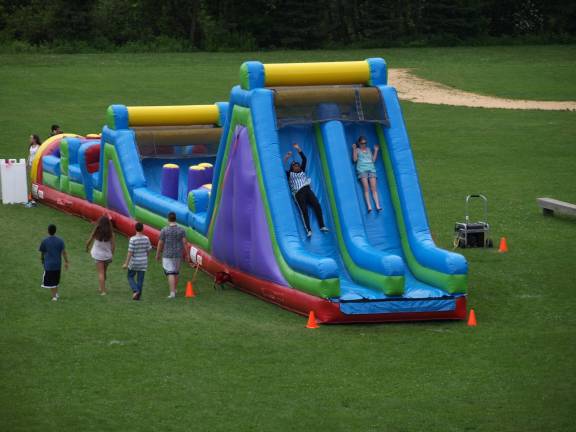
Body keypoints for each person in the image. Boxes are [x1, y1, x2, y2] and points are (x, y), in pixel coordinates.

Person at [284, 143, 329, 237]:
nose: (297, 166)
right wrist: (286, 157)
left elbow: (304, 159)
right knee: (304, 210)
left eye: (297, 165)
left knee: (317, 204)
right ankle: (308, 230)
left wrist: (298, 149)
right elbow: (279, 167)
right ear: (292, 168)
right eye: (294, 166)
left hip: (307, 190)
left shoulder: (302, 171)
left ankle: (322, 225)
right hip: (298, 193)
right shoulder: (290, 174)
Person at [156, 212, 188, 299]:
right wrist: (187, 254)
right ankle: (175, 289)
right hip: (178, 254)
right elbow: (185, 242)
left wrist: (158, 254)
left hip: (167, 254)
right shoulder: (181, 230)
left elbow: (160, 243)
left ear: (168, 219)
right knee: (176, 272)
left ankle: (172, 293)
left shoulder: (164, 230)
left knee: (170, 272)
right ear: (175, 219)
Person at [39, 224, 69, 301]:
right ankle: (56, 294)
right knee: (55, 279)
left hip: (48, 264)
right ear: (55, 231)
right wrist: (66, 262)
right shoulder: (60, 241)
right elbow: (64, 252)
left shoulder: (45, 241)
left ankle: (54, 296)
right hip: (57, 264)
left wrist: (42, 260)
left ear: (48, 231)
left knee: (51, 281)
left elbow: (42, 252)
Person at [86, 215, 115, 295]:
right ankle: (102, 287)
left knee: (101, 273)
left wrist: (87, 247)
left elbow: (89, 241)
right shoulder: (111, 234)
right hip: (107, 256)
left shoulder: (96, 231)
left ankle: (103, 291)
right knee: (104, 272)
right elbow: (113, 246)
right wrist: (111, 255)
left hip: (98, 255)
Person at [122, 222, 152, 301]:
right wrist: (145, 256)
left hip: (134, 262)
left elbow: (130, 252)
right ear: (143, 229)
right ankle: (138, 296)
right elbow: (148, 250)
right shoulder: (146, 238)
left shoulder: (133, 239)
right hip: (143, 261)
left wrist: (126, 263)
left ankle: (136, 291)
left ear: (135, 229)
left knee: (130, 276)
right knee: (140, 279)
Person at [352, 136, 381, 212]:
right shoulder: (357, 150)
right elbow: (354, 160)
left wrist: (376, 151)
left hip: (371, 169)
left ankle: (378, 206)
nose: (364, 145)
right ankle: (369, 206)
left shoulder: (368, 149)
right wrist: (354, 149)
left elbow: (373, 160)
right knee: (366, 189)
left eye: (365, 143)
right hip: (362, 170)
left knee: (374, 189)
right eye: (362, 143)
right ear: (359, 143)